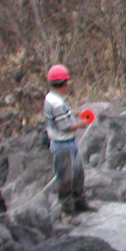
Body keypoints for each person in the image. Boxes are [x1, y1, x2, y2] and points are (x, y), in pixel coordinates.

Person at [43, 64, 93, 215]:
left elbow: (63, 115)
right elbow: (64, 126)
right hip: (62, 145)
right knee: (65, 178)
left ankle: (80, 202)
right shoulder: (57, 102)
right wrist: (81, 124)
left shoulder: (52, 97)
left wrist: (75, 113)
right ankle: (68, 210)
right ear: (65, 83)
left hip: (69, 143)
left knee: (78, 173)